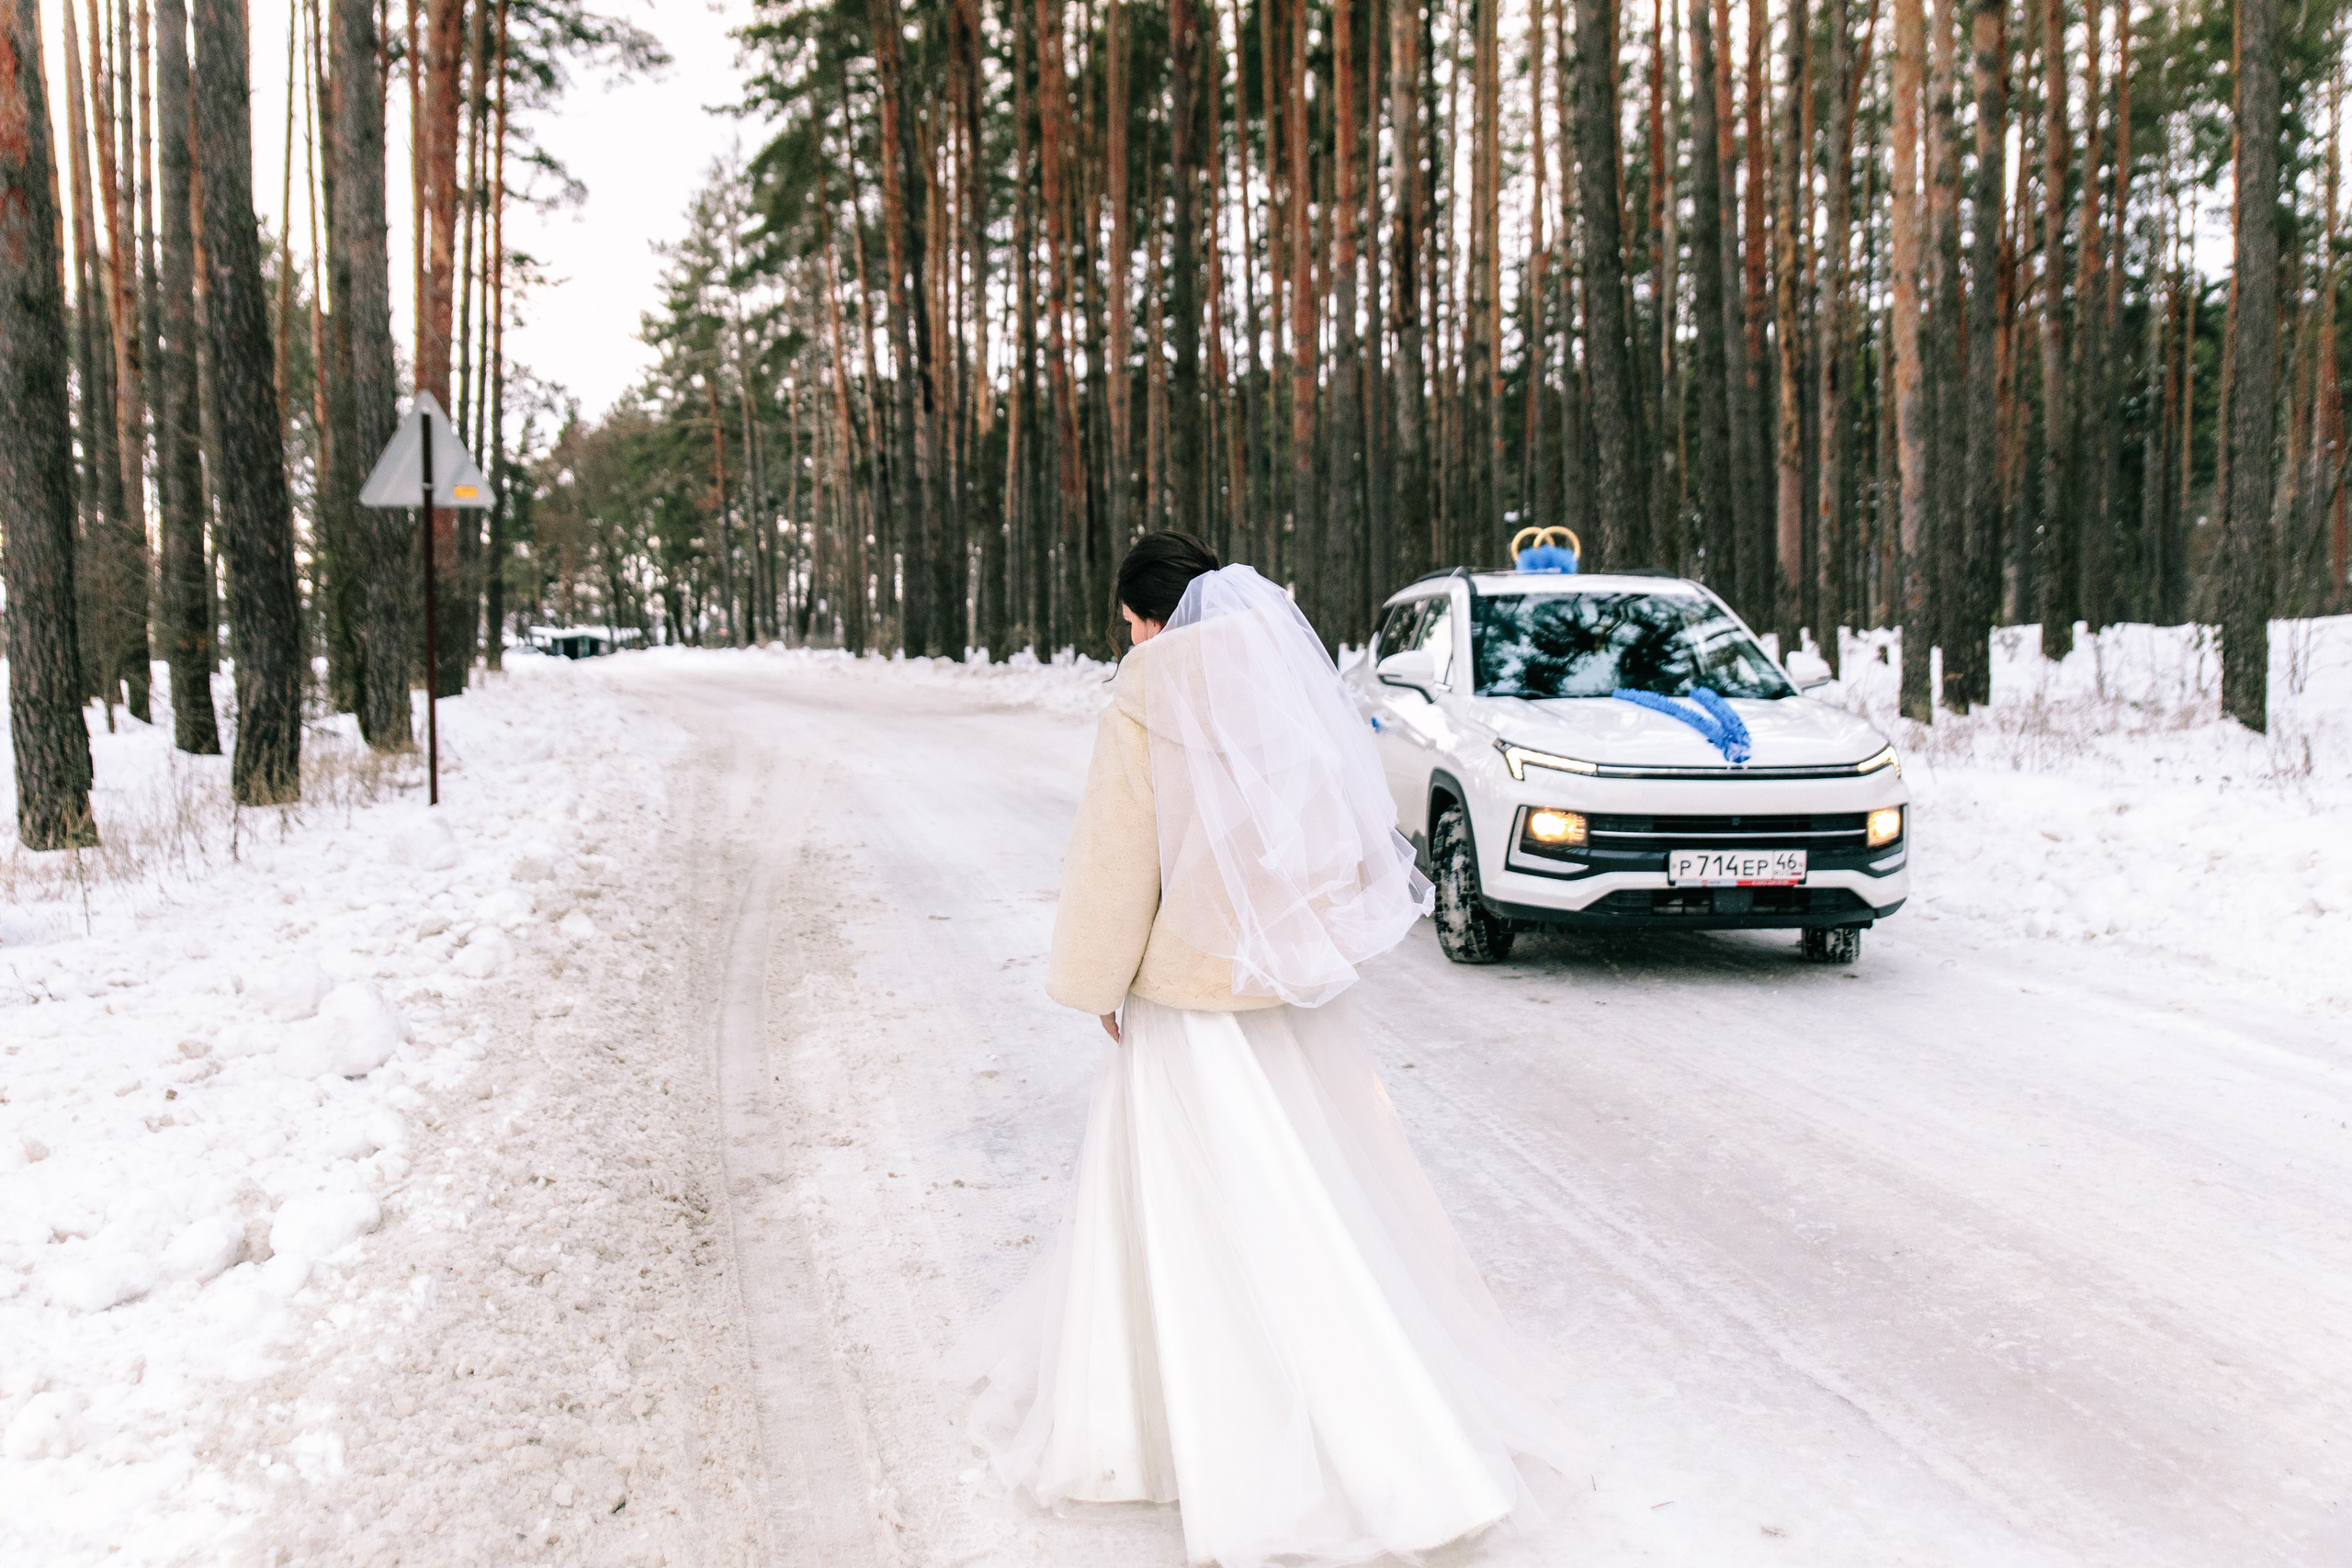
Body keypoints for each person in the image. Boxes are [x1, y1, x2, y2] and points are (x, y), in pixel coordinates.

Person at [948, 533, 1576, 1567]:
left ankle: (1158, 1434)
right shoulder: (1284, 691)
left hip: (1184, 991)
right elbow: (1333, 836)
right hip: (1278, 985)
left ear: (1152, 615)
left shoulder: (1146, 698)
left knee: (1188, 1208)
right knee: (1301, 1194)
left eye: (1132, 621)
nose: (1133, 637)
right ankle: (1391, 1427)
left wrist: (1096, 983)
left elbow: (1117, 854)